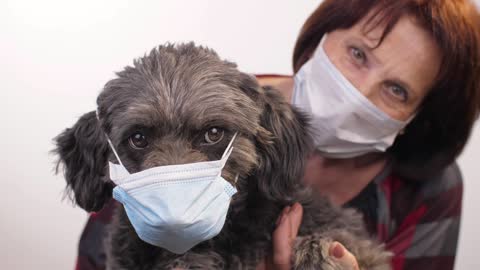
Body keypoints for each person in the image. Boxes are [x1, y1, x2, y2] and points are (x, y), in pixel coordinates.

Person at [74, 1, 480, 270]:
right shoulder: (158, 107)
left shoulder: (430, 188)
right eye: (358, 54)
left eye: (398, 90)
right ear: (321, 35)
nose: (360, 94)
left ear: (420, 113)